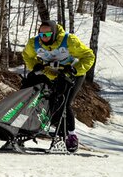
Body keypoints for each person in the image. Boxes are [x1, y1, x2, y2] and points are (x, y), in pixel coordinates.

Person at [21, 19, 95, 153]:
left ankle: (71, 135)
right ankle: (53, 131)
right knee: (48, 102)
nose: (44, 37)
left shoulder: (69, 41)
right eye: (41, 34)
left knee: (64, 102)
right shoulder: (34, 43)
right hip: (52, 74)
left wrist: (75, 69)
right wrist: (34, 66)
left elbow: (88, 56)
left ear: (54, 33)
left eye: (47, 35)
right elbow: (27, 55)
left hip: (73, 74)